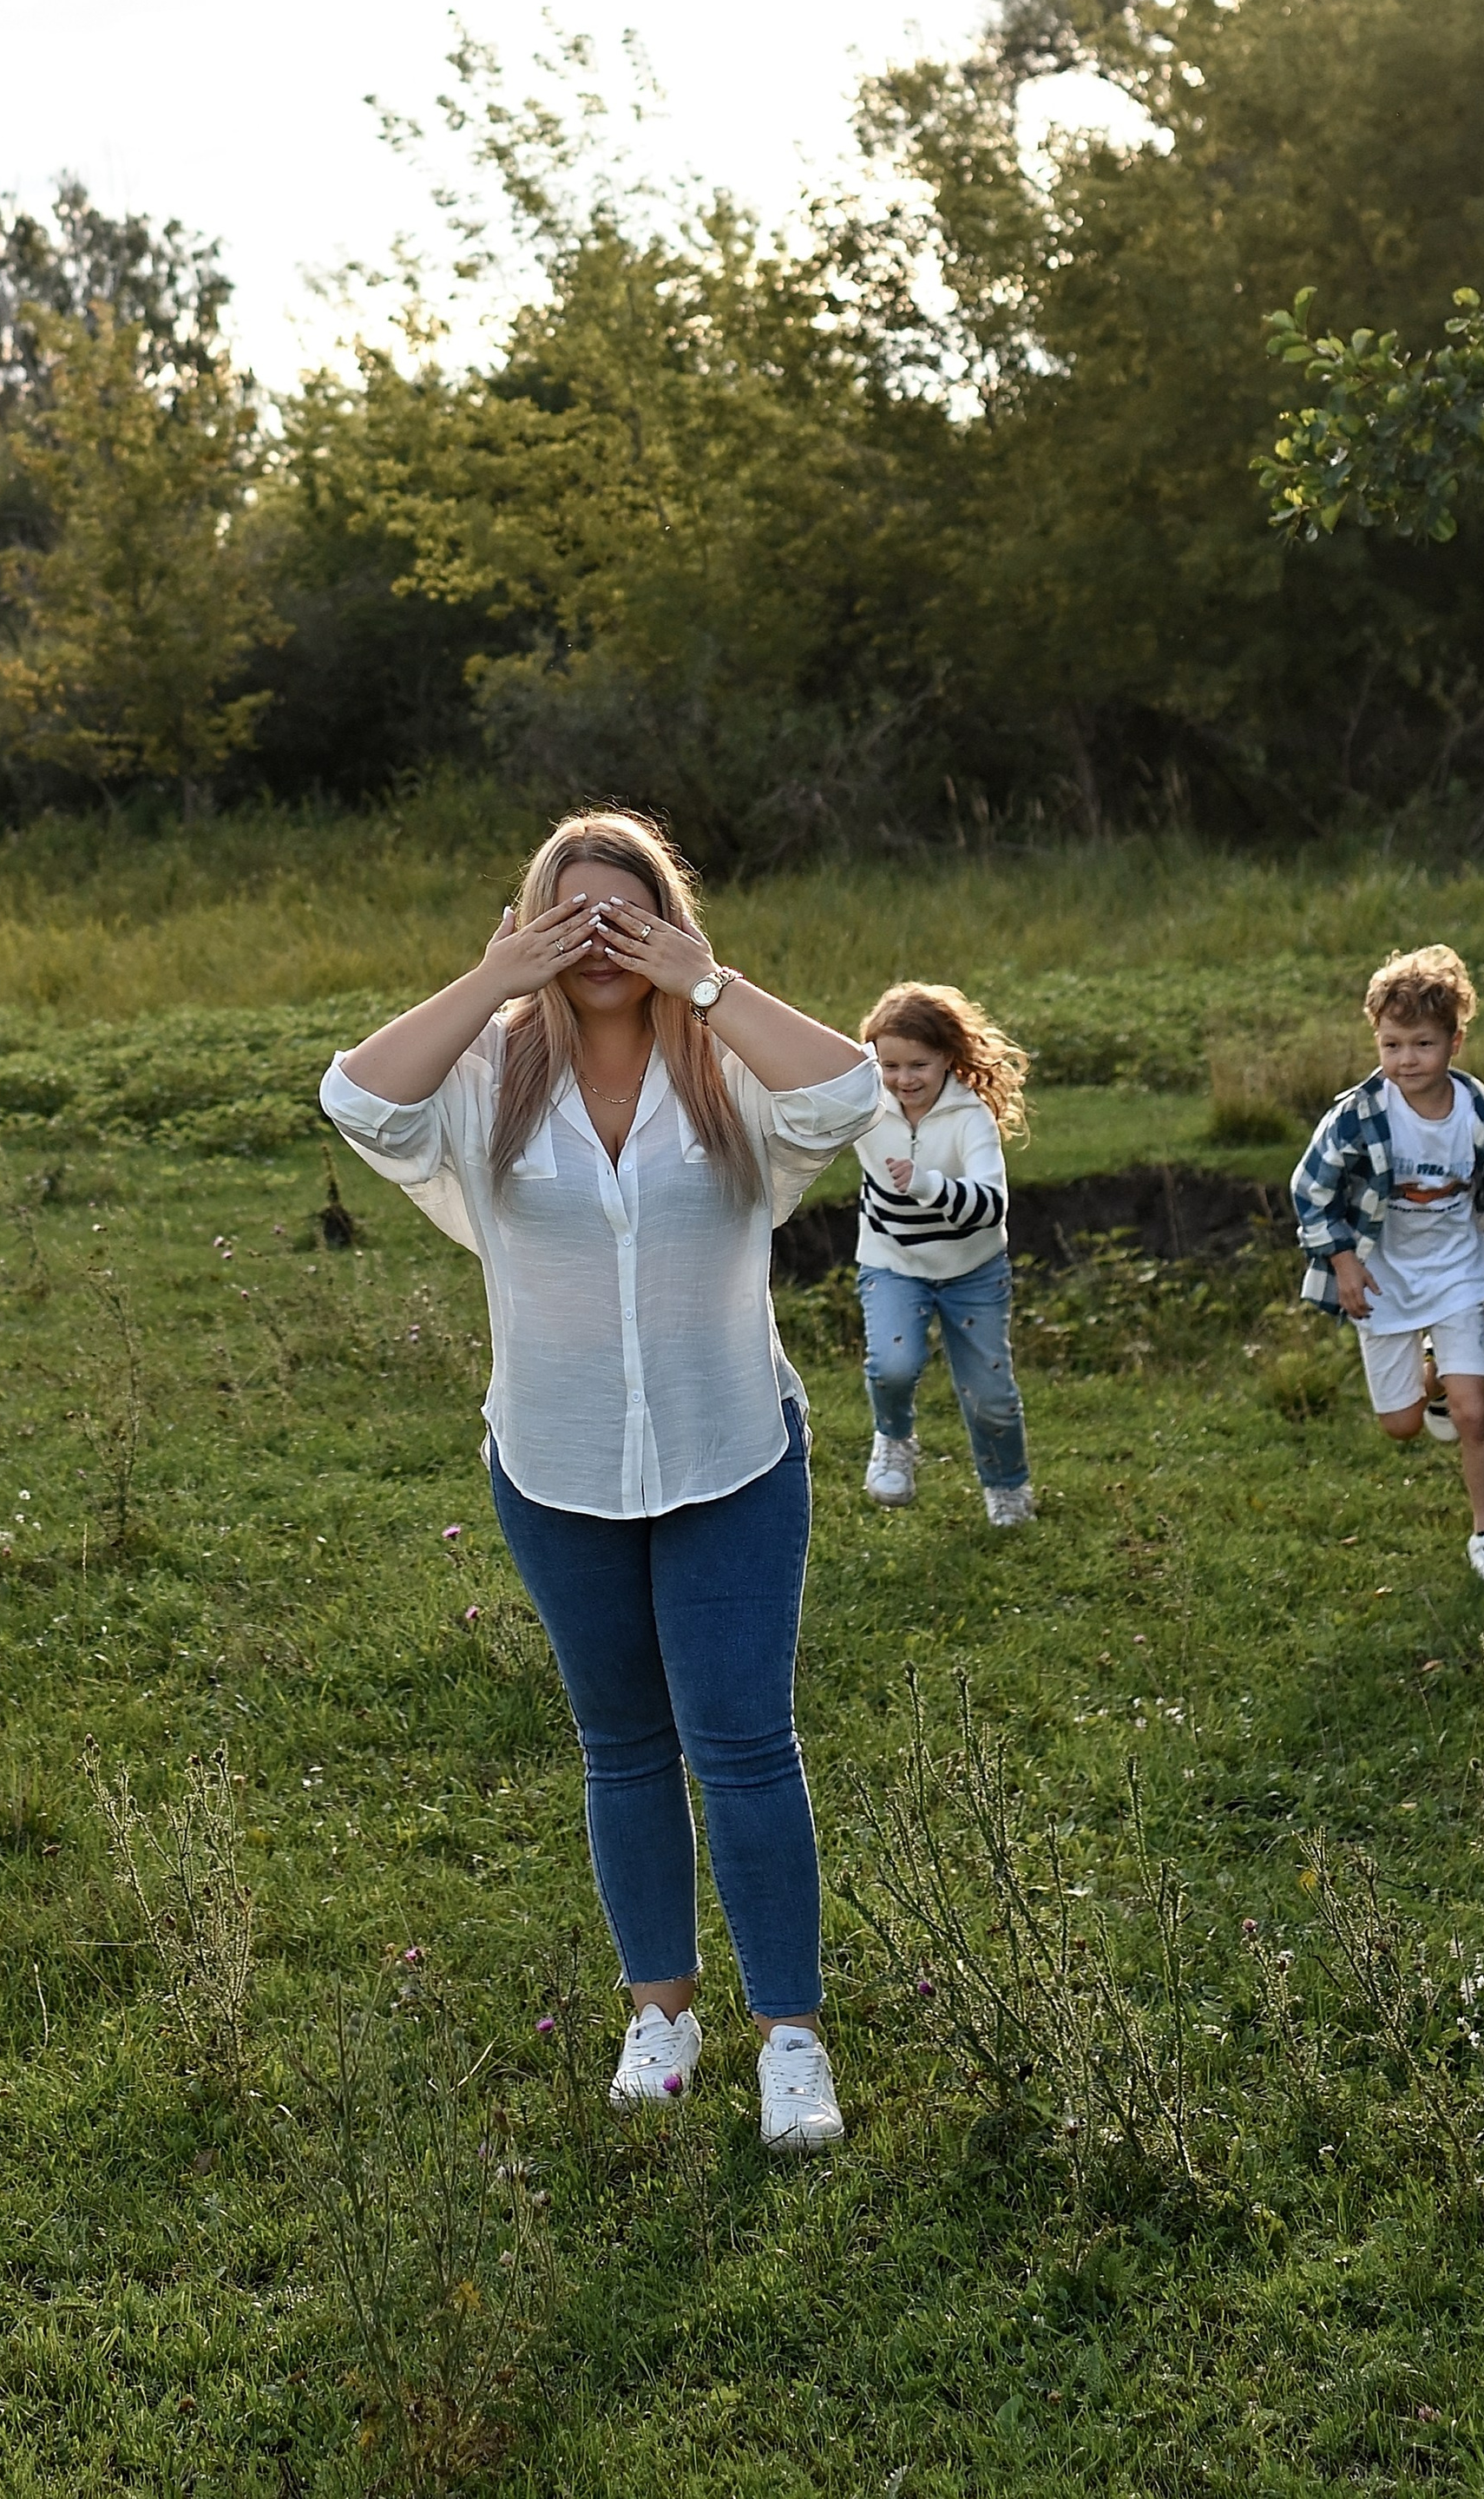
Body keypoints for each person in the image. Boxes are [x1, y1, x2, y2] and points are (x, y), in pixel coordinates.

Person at [319, 810, 880, 2149]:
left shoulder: (727, 1071)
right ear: (533, 929)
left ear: (672, 923)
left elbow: (851, 1093)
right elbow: (355, 1099)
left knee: (745, 1748)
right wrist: (496, 977)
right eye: (572, 917)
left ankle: (790, 2042)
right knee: (623, 1749)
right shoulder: (488, 1079)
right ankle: (661, 2015)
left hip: (731, 1453)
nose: (600, 941)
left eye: (625, 914)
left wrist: (706, 981)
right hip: (557, 1464)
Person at [1290, 943, 1484, 1582]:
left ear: (1454, 1042)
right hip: (1382, 1280)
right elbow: (1309, 1190)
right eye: (1391, 1045)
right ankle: (1434, 1382)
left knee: (1476, 1412)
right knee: (1400, 1426)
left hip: (1457, 1274)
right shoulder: (1358, 1117)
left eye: (1421, 1044)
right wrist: (1342, 1262)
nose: (1405, 1060)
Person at [854, 982, 1035, 1526]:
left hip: (973, 1271)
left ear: (948, 1060)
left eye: (919, 1066)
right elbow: (803, 1081)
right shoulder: (863, 1098)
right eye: (890, 1065)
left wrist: (927, 1184)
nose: (903, 1080)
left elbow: (992, 1207)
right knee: (893, 1366)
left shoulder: (969, 1117)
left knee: (991, 1394)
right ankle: (894, 1442)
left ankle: (1007, 1487)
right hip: (890, 1263)